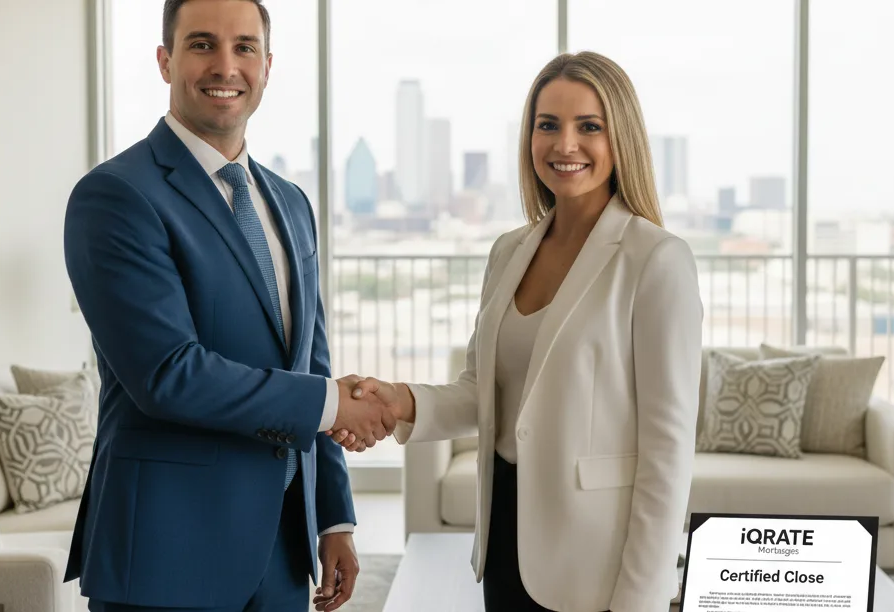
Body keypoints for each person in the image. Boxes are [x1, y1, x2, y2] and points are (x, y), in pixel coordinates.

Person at [330, 51, 704, 612]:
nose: (565, 144)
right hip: (506, 538)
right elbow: (486, 393)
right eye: (548, 125)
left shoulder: (656, 259)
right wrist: (398, 400)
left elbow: (667, 450)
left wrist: (641, 598)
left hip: (594, 565)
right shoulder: (509, 251)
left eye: (589, 126)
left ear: (620, 137)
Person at [63, 1, 395, 610]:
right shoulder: (115, 196)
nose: (225, 66)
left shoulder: (291, 202)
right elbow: (168, 374)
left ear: (267, 66)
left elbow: (311, 365)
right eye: (201, 45)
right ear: (165, 61)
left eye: (244, 47)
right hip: (167, 554)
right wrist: (332, 403)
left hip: (281, 554)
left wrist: (333, 518)